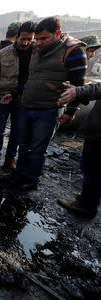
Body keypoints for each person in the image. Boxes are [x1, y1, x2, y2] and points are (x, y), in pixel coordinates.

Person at [13, 17, 87, 191]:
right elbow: (30, 77)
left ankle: (31, 179)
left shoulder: (73, 51)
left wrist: (71, 110)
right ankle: (20, 174)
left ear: (58, 34)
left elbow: (78, 85)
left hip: (48, 110)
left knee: (37, 148)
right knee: (23, 144)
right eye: (36, 39)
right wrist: (16, 94)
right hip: (27, 106)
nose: (38, 43)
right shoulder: (35, 49)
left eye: (43, 39)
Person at [0, 21, 36, 170]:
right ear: (16, 37)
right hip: (2, 97)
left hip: (22, 99)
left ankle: (10, 159)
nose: (25, 43)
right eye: (23, 39)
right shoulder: (2, 53)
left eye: (29, 39)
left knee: (17, 131)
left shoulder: (37, 53)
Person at [56, 82, 101, 218]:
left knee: (93, 167)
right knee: (90, 165)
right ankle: (88, 197)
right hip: (97, 129)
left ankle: (87, 205)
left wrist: (80, 91)